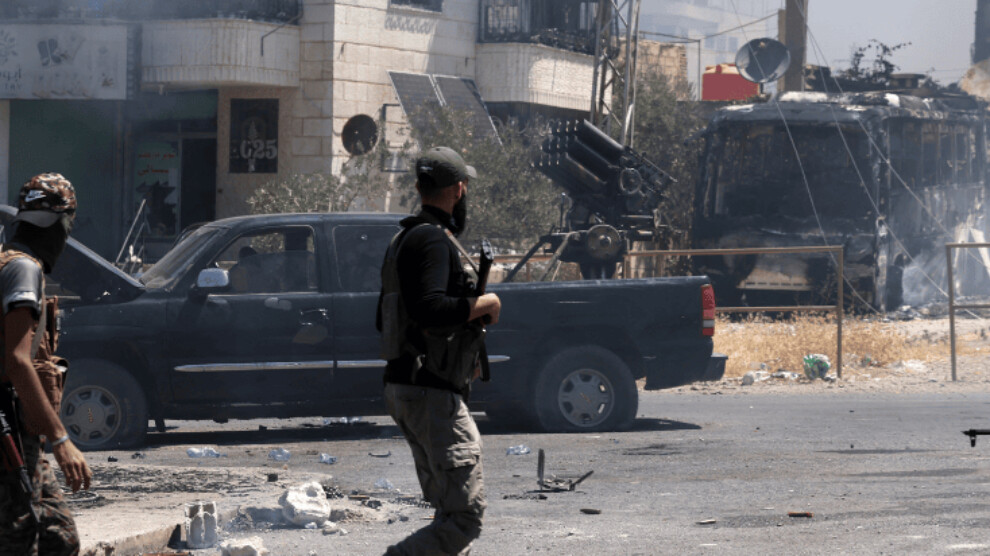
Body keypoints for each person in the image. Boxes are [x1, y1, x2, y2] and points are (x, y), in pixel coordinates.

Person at [377, 147, 501, 555]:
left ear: (419, 187)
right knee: (464, 517)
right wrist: (484, 304)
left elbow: (391, 317)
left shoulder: (405, 238)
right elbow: (429, 310)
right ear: (459, 189)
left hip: (411, 387)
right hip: (430, 392)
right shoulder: (431, 239)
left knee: (447, 511)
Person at [0, 173, 92, 556]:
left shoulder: (11, 260)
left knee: (59, 537)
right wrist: (62, 440)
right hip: (8, 431)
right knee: (19, 540)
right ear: (59, 225)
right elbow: (17, 360)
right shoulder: (23, 268)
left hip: (22, 431)